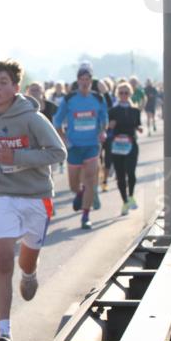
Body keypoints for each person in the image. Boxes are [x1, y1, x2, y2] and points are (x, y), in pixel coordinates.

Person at [0, 59, 66, 341]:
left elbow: (58, 152)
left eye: (2, 82)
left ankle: (30, 271)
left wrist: (18, 156)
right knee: (1, 259)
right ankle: (5, 334)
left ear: (16, 87)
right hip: (5, 194)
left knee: (27, 258)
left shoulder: (33, 118)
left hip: (37, 195)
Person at [53, 62, 107, 229]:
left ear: (91, 81)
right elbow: (57, 122)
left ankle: (85, 216)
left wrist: (102, 131)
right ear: (77, 81)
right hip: (74, 147)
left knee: (90, 179)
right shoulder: (69, 99)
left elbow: (103, 119)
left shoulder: (98, 98)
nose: (84, 82)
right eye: (82, 79)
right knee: (73, 185)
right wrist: (64, 139)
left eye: (87, 79)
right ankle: (80, 193)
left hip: (91, 145)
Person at [108, 82, 144, 215]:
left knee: (131, 172)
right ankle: (124, 202)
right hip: (117, 146)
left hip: (131, 144)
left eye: (126, 93)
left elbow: (138, 125)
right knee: (120, 175)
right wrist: (110, 126)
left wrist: (139, 128)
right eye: (121, 93)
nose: (123, 95)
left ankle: (131, 196)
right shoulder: (112, 111)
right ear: (118, 94)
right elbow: (107, 128)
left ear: (130, 94)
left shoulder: (135, 111)